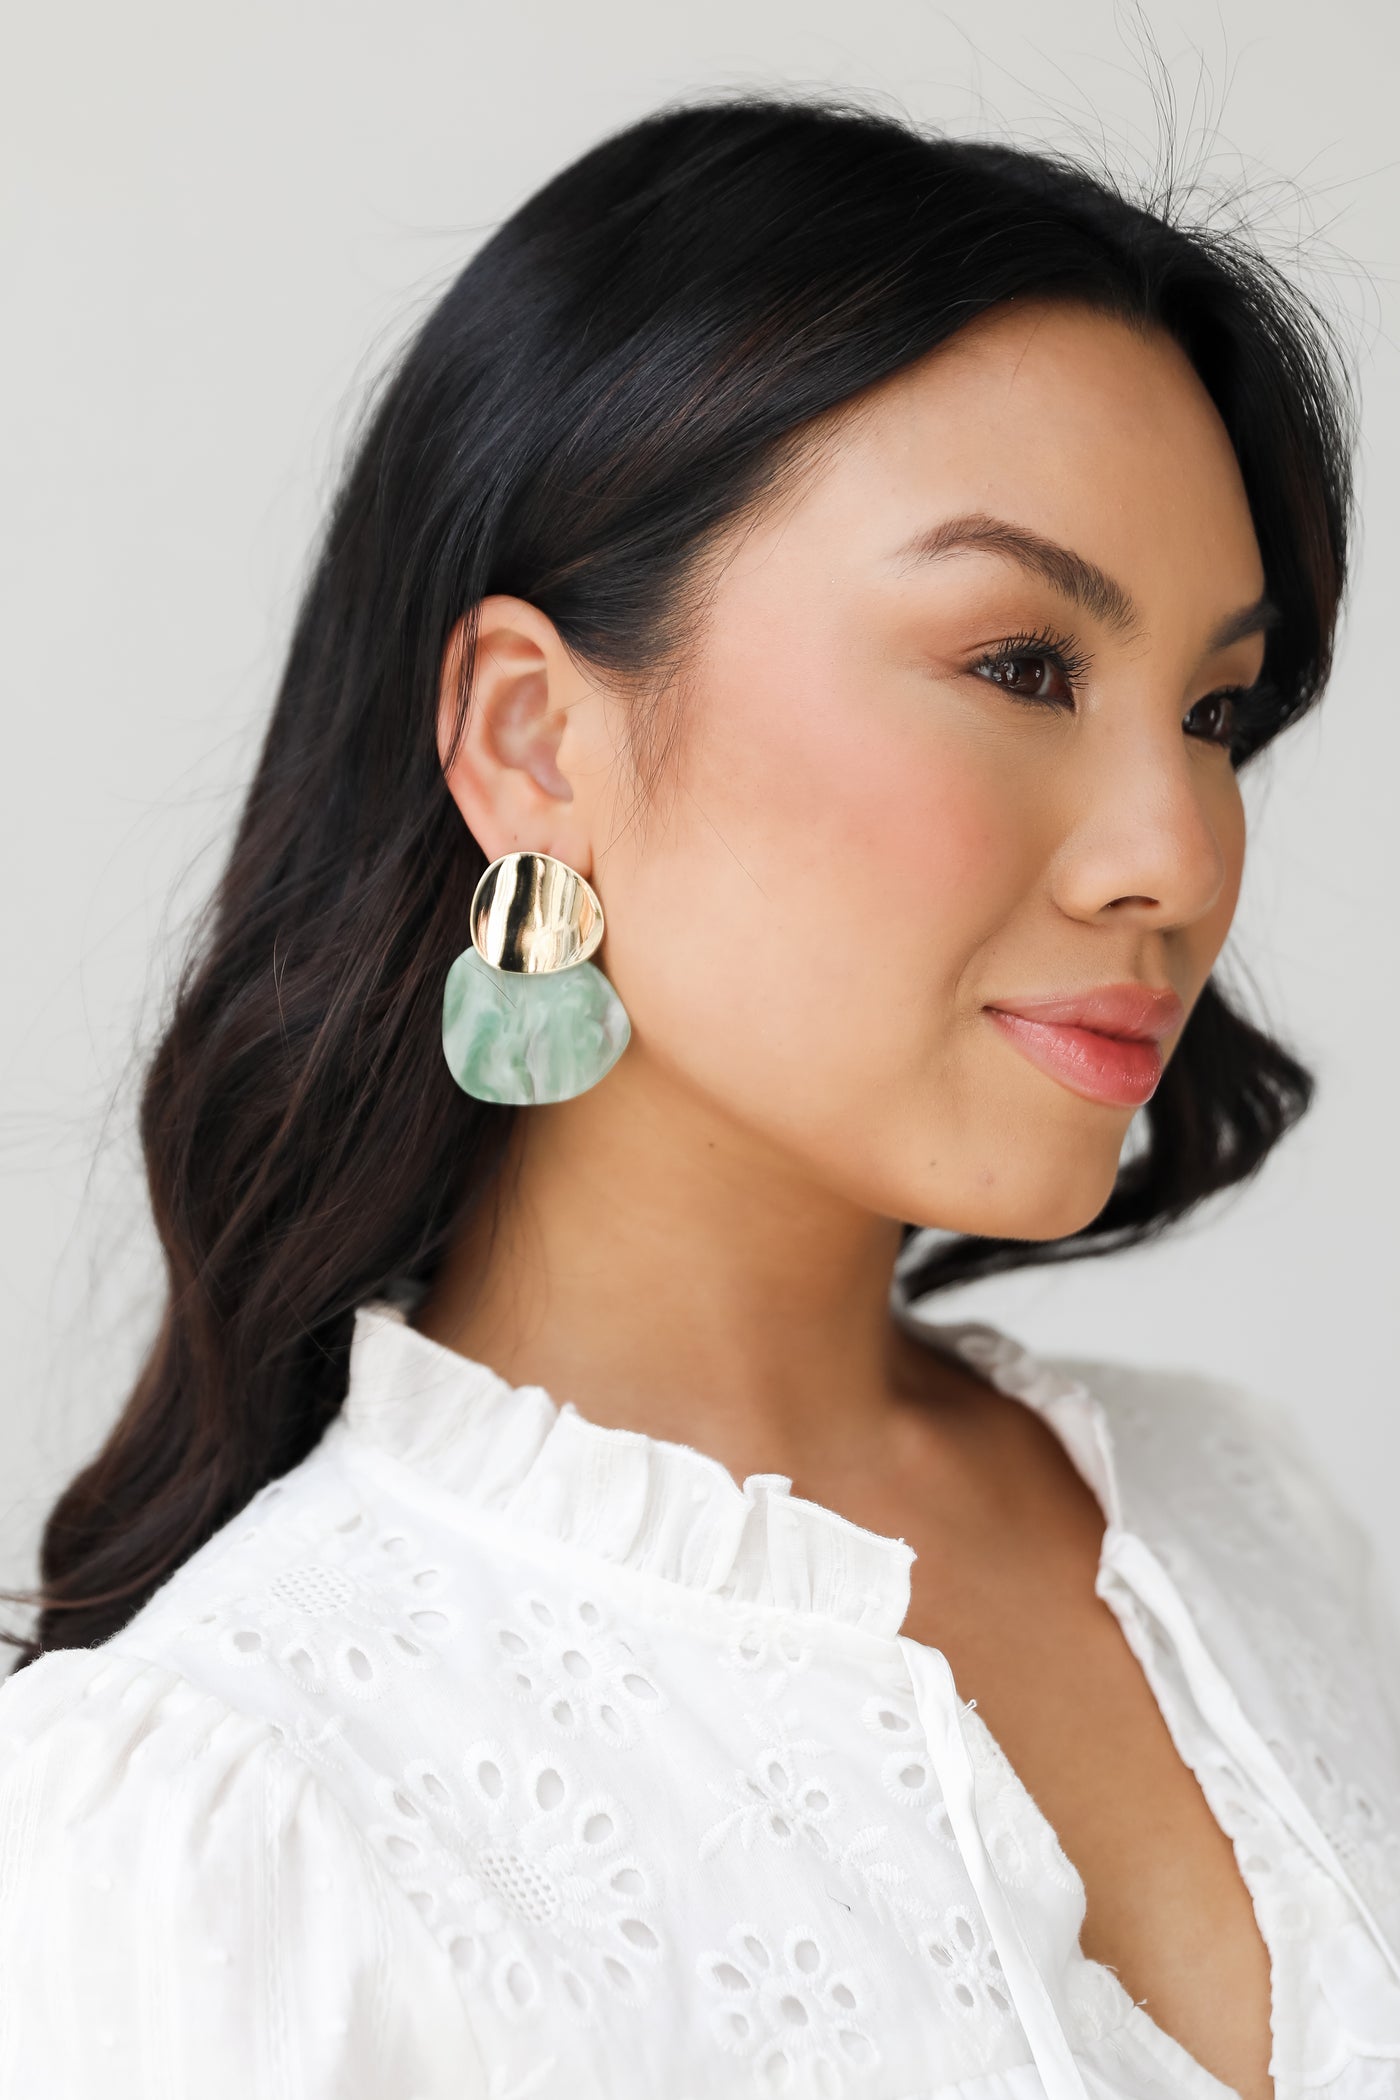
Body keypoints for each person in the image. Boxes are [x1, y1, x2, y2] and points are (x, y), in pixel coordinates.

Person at [1, 94, 1395, 2100]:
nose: (1175, 854)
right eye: (1021, 665)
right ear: (532, 739)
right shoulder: (236, 1823)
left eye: (1213, 710)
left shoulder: (1246, 1523)